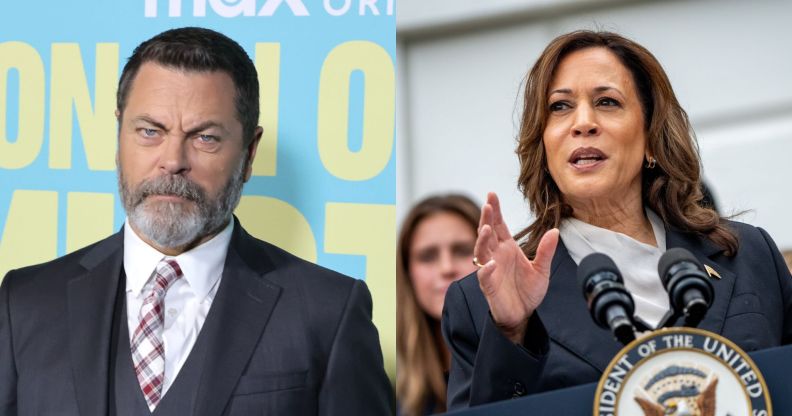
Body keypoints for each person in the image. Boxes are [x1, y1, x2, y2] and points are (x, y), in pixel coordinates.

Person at [0, 27, 393, 415]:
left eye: (205, 137)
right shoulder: (25, 302)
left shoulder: (329, 311)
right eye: (150, 131)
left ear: (249, 153)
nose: (173, 160)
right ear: (119, 136)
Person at [441, 30, 792, 410]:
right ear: (543, 144)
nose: (583, 123)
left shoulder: (750, 254)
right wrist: (512, 332)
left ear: (652, 138)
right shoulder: (483, 305)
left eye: (607, 102)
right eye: (560, 107)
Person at [396, 194, 480, 415]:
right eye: (427, 256)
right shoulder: (389, 389)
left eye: (462, 251)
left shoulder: (529, 363)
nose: (446, 268)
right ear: (407, 273)